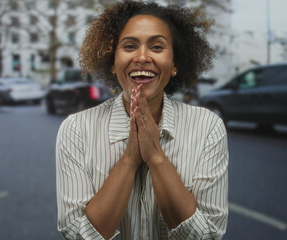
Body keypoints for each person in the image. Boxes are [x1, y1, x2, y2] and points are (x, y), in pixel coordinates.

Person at [56, 1, 229, 239]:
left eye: (157, 47)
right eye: (129, 46)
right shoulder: (76, 129)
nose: (142, 57)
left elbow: (208, 235)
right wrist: (130, 158)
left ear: (176, 64)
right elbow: (77, 235)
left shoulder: (208, 127)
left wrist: (156, 156)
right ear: (113, 63)